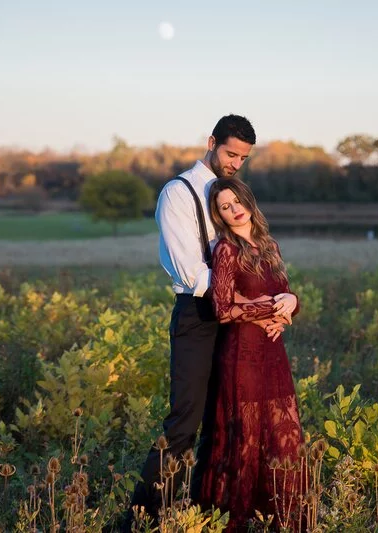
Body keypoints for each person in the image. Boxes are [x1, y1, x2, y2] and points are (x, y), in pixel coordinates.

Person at [125, 115, 287, 527]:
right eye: (231, 153)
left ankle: (206, 513)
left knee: (225, 421)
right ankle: (140, 520)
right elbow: (191, 272)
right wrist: (256, 303)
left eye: (243, 158)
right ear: (211, 142)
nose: (235, 163)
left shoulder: (232, 195)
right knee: (185, 422)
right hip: (198, 316)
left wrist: (279, 305)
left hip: (238, 323)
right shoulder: (178, 192)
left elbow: (258, 258)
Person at [199, 178, 305, 531]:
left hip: (274, 354)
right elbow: (223, 309)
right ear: (220, 215)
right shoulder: (226, 250)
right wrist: (265, 313)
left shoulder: (269, 245)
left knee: (282, 435)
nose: (234, 209)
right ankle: (233, 523)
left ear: (248, 200)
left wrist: (292, 304)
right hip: (241, 355)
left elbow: (284, 294)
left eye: (237, 201)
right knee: (244, 439)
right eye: (225, 207)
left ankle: (283, 520)